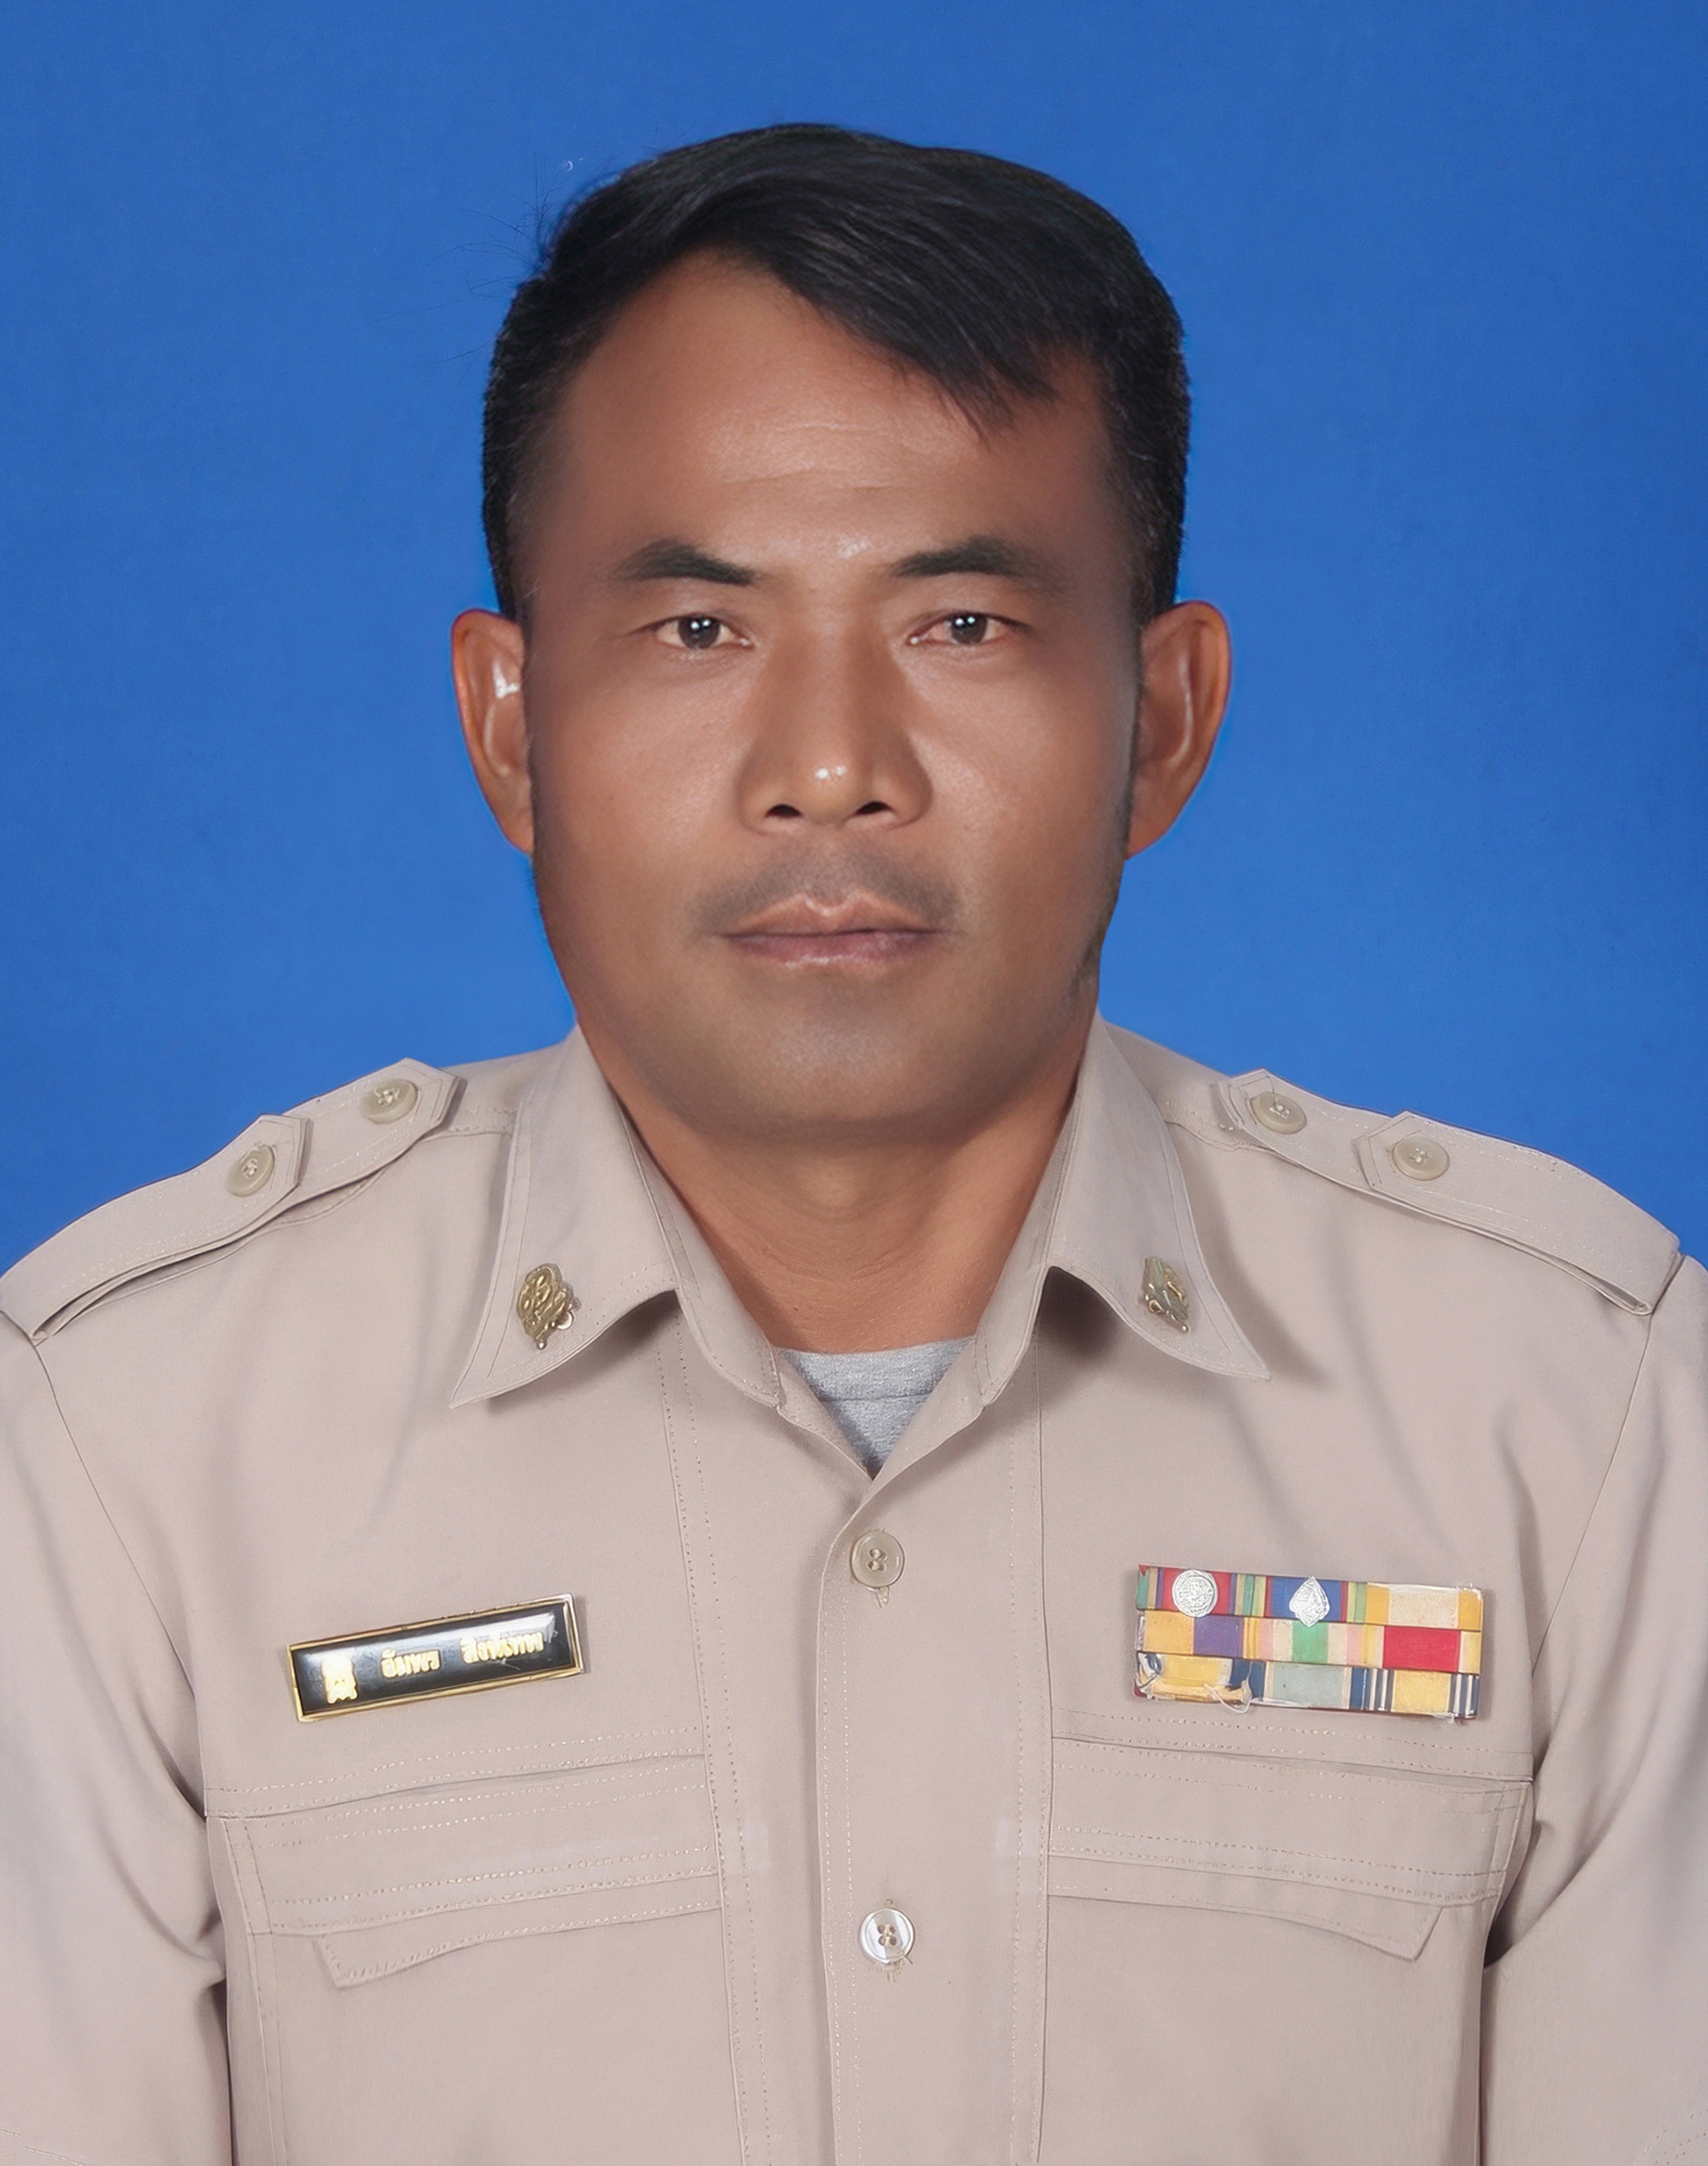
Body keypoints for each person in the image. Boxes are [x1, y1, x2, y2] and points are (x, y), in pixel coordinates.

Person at [1, 122, 1703, 2166]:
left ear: (1163, 718)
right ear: (508, 724)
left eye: (958, 625)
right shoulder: (125, 1449)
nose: (828, 769)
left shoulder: (1570, 1420)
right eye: (698, 630)